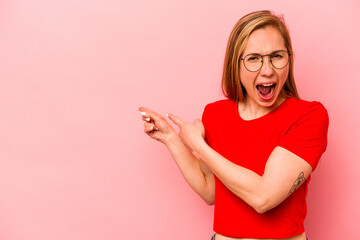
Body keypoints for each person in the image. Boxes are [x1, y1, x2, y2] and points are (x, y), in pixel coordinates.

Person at [139, 10, 328, 240]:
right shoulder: (215, 114)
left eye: (277, 56)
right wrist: (170, 138)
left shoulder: (309, 116)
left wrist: (198, 147)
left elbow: (263, 197)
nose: (267, 70)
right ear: (235, 65)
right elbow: (211, 191)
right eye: (253, 58)